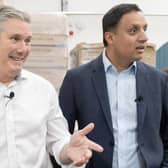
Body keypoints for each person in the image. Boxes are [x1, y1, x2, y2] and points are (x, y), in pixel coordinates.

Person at [59, 3, 168, 168]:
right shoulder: (77, 79)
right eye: (133, 30)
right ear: (110, 37)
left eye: (144, 29)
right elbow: (58, 138)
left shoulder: (158, 80)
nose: (144, 37)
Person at [0, 5, 104, 168]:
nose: (23, 49)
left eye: (27, 41)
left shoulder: (42, 89)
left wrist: (68, 150)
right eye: (15, 39)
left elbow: (58, 140)